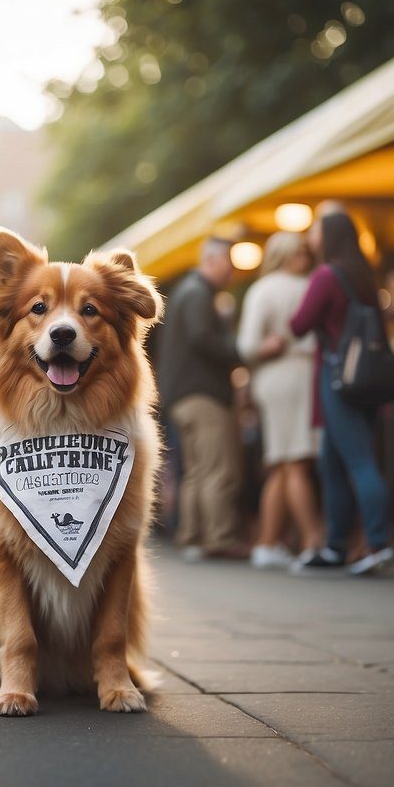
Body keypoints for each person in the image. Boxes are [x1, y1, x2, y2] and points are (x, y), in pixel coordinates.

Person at [289, 211, 394, 575]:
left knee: (359, 460)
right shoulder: (364, 274)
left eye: (316, 230)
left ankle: (377, 542)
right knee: (331, 463)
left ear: (329, 235)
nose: (311, 236)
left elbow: (299, 324)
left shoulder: (326, 275)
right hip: (365, 378)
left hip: (337, 378)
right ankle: (335, 546)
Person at [236, 231, 324, 569]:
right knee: (296, 461)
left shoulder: (263, 289)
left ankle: (267, 542)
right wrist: (268, 347)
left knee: (280, 462)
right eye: (301, 250)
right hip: (297, 376)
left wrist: (264, 349)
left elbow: (246, 347)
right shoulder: (307, 286)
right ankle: (313, 540)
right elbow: (248, 346)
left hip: (274, 379)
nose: (306, 254)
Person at [157, 236, 244, 561]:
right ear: (212, 260)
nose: (232, 270)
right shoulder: (199, 293)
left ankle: (191, 535)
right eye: (229, 261)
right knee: (217, 468)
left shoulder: (186, 290)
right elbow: (202, 337)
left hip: (182, 396)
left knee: (195, 470)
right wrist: (240, 351)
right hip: (202, 393)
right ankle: (218, 538)